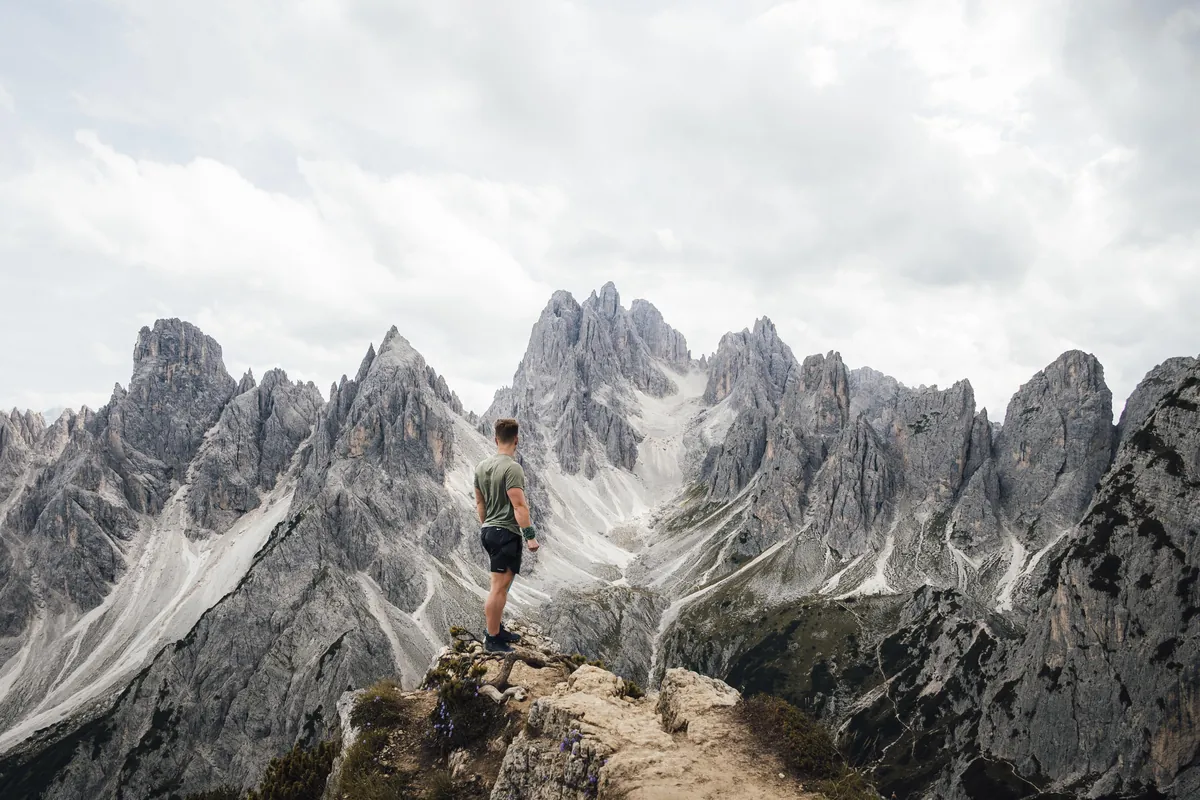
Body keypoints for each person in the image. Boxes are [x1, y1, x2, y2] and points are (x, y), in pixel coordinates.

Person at [474, 417, 539, 653]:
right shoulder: (512, 468)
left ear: (495, 439)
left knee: (501, 585)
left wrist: (487, 526)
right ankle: (492, 640)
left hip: (490, 530)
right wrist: (530, 536)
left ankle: (496, 629)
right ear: (516, 440)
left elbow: (479, 502)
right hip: (506, 532)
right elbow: (519, 506)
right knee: (499, 588)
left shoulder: (482, 467)